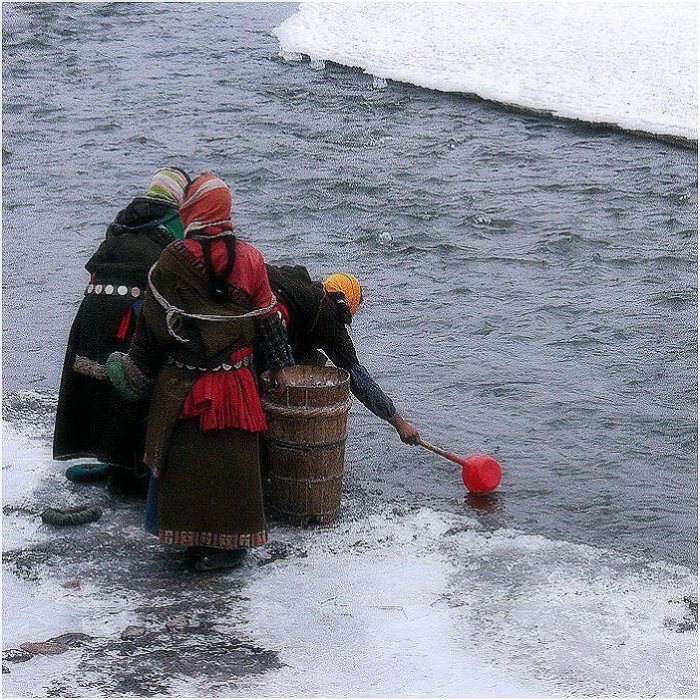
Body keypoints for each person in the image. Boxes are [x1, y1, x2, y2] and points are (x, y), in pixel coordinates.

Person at [107, 173, 291, 572]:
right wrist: (279, 365)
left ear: (192, 209)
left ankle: (188, 541)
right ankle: (231, 545)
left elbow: (153, 328)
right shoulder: (250, 258)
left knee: (188, 466)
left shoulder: (170, 261)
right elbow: (269, 320)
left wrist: (134, 371)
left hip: (182, 386)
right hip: (235, 383)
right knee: (232, 467)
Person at [53, 167, 190, 491]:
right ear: (179, 197)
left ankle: (109, 459)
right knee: (133, 384)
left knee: (102, 387)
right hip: (131, 311)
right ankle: (130, 472)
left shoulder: (126, 217)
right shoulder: (175, 223)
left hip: (93, 310)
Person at [264, 265, 420, 445]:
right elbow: (361, 383)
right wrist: (400, 424)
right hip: (266, 323)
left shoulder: (310, 291)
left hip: (260, 304)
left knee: (312, 357)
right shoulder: (329, 319)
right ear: (350, 299)